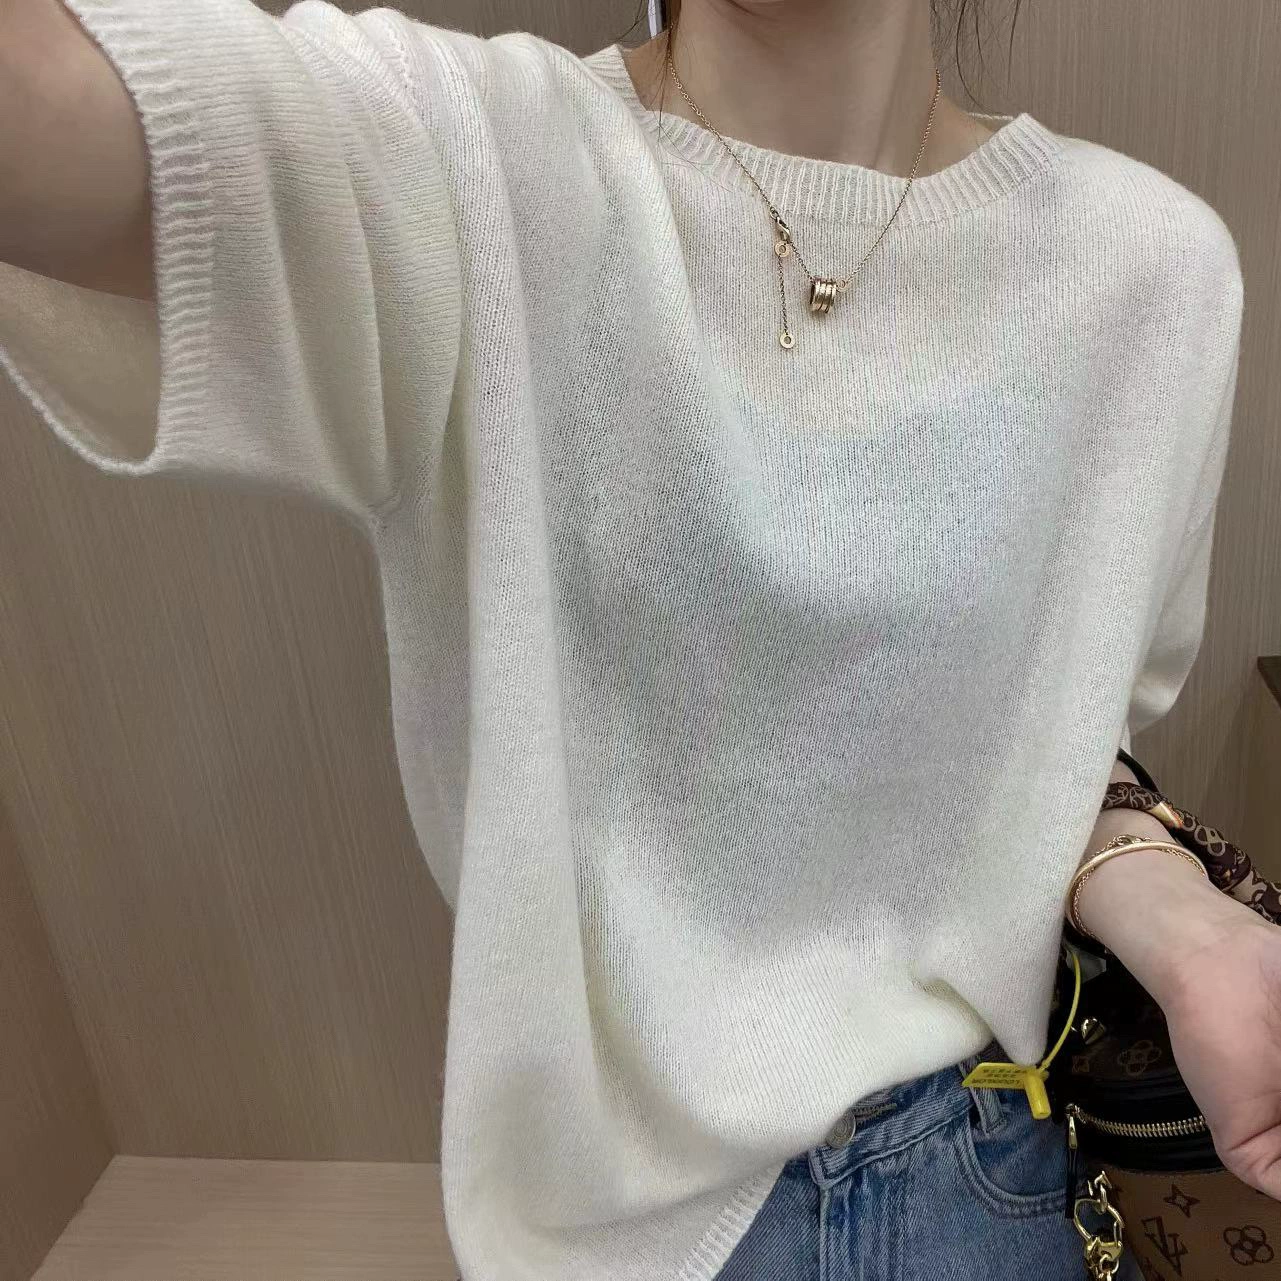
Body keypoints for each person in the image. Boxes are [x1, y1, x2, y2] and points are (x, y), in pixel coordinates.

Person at [1, 0, 1277, 1278]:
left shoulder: (1150, 273)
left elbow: (1058, 745)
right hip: (625, 1229)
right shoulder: (466, 163)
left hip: (993, 1159)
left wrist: (1183, 920)